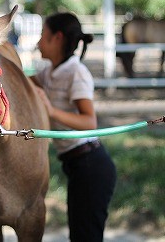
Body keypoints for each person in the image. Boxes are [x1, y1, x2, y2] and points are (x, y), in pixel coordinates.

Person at [30, 12, 117, 242]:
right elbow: (22, 82)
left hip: (91, 166)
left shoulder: (76, 73)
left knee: (85, 237)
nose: (38, 42)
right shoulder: (50, 72)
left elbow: (90, 122)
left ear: (57, 38)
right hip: (77, 165)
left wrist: (51, 111)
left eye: (42, 35)